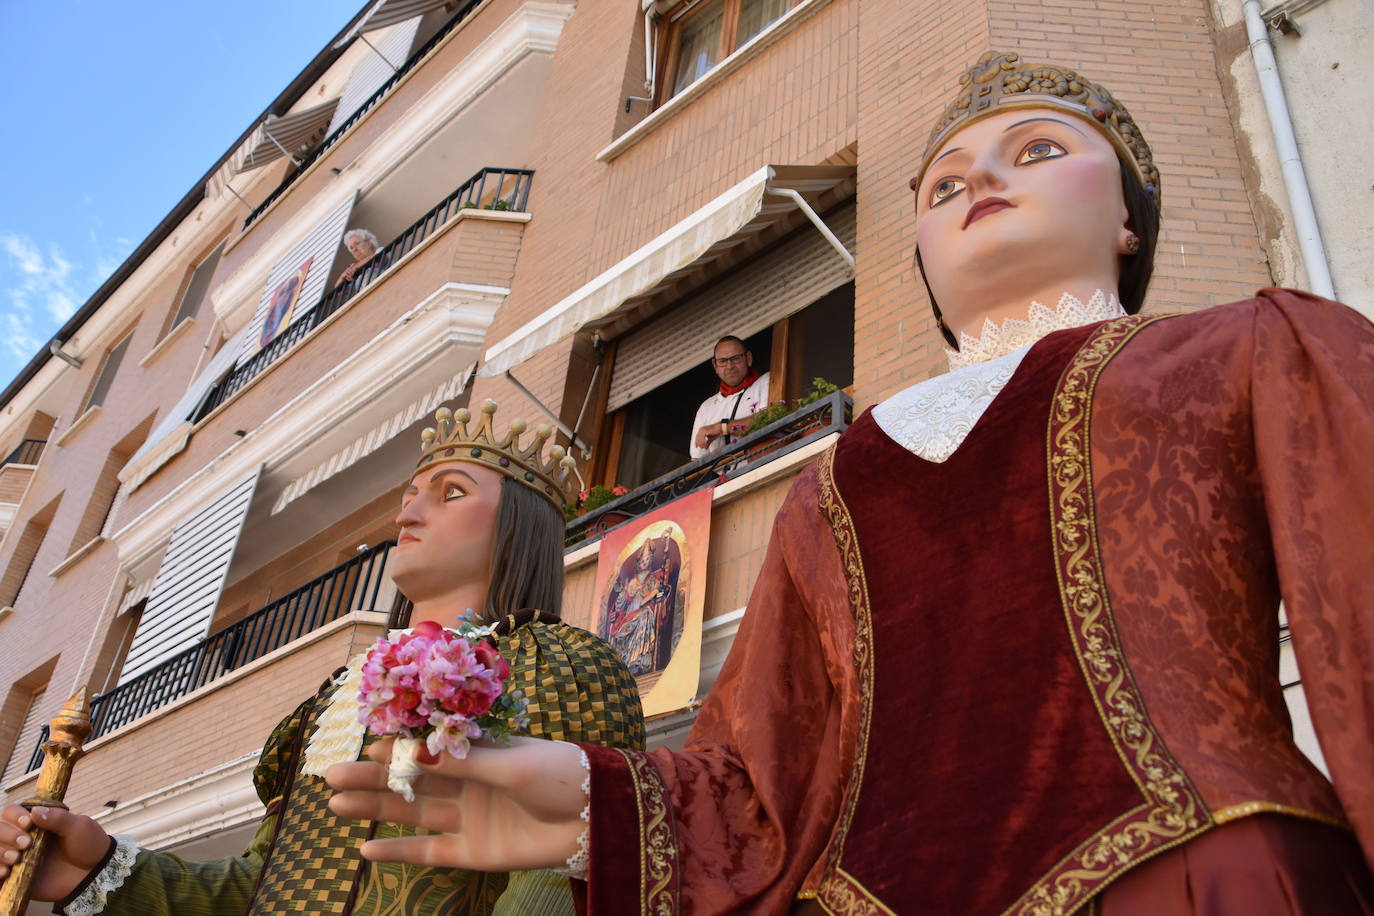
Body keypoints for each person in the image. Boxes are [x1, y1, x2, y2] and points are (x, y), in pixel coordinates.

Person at [323, 51, 1374, 914]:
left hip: (1197, 876)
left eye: (1040, 150)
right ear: (916, 246)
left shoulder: (1250, 350)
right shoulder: (833, 484)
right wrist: (595, 796)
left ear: (1130, 215)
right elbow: (758, 772)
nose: (983, 184)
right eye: (945, 184)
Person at [0, 400, 645, 915]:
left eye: (450, 493)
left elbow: (564, 869)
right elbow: (265, 884)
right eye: (409, 494)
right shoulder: (341, 695)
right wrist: (103, 866)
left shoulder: (562, 664)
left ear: (520, 527)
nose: (409, 510)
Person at [689, 335, 771, 458]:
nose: (730, 366)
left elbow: (769, 419)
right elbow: (698, 459)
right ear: (715, 366)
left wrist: (722, 427)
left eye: (736, 358)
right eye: (722, 361)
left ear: (748, 358)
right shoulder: (706, 407)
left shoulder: (767, 381)